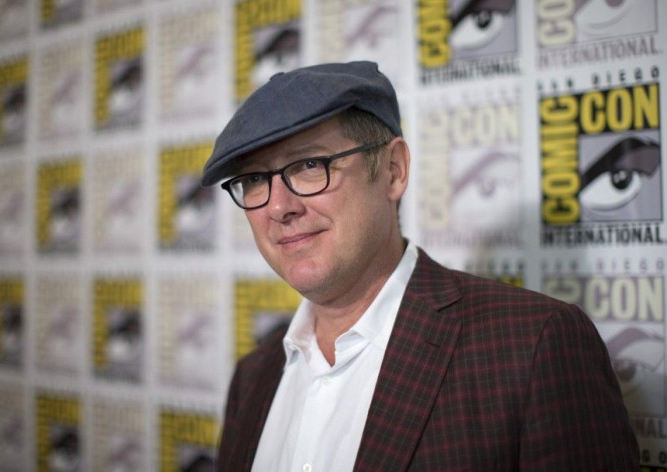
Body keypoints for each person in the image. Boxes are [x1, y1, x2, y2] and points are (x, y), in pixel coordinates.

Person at [201, 61, 639, 471]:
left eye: (310, 165)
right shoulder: (253, 377)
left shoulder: (536, 345)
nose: (278, 206)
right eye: (254, 180)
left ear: (393, 171)